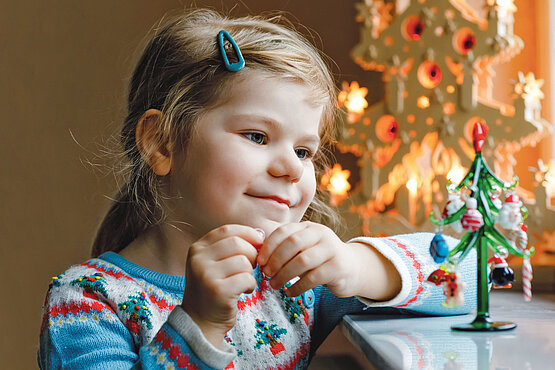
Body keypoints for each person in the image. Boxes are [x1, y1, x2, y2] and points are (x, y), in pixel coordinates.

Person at [38, 8, 476, 369]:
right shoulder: (87, 301)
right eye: (257, 136)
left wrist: (355, 265)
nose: (292, 168)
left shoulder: (292, 283)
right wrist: (198, 325)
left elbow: (475, 276)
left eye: (305, 152)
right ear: (162, 142)